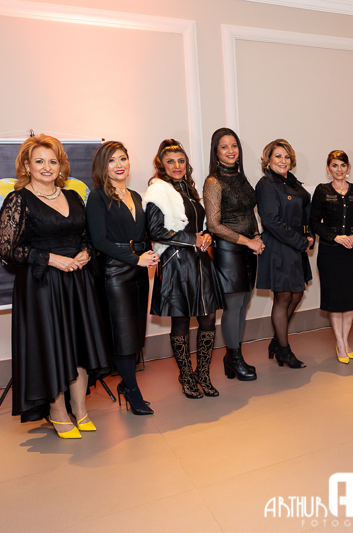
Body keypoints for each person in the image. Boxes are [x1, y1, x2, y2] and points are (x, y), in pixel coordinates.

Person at [0, 134, 111, 438]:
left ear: (61, 165)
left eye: (53, 161)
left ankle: (80, 410)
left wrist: (86, 253)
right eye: (39, 161)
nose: (47, 167)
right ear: (27, 166)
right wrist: (50, 259)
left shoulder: (73, 196)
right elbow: (7, 249)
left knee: (80, 345)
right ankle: (58, 413)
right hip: (42, 286)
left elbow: (86, 236)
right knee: (53, 348)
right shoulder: (18, 199)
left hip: (78, 283)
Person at [142, 139, 224, 398]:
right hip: (176, 263)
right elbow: (155, 231)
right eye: (170, 161)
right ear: (161, 165)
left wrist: (207, 235)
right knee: (181, 320)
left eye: (181, 161)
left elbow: (199, 225)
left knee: (208, 318)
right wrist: (193, 239)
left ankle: (203, 373)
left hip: (200, 261)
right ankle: (186, 375)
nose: (177, 165)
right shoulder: (158, 191)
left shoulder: (188, 189)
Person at [86, 141, 157, 415]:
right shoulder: (97, 197)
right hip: (114, 272)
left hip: (138, 270)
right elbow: (99, 241)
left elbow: (142, 235)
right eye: (112, 160)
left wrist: (149, 253)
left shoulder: (136, 196)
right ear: (102, 166)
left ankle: (126, 385)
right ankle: (133, 391)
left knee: (137, 330)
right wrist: (136, 258)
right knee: (123, 335)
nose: (119, 165)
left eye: (123, 158)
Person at [204, 128, 263, 381]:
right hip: (229, 250)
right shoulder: (213, 182)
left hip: (249, 248)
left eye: (234, 146)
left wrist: (257, 236)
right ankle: (235, 358)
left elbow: (250, 212)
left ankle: (232, 358)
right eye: (224, 146)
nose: (231, 151)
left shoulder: (240, 176)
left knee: (244, 303)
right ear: (216, 152)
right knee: (233, 305)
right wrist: (248, 241)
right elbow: (214, 225)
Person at [310, 150, 353, 363]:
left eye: (343, 165)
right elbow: (314, 222)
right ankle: (339, 343)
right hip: (330, 253)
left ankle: (345, 341)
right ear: (328, 168)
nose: (339, 169)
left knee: (349, 300)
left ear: (348, 168)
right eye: (335, 165)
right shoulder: (322, 190)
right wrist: (335, 237)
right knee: (335, 301)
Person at [256, 139, 313, 369]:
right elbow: (271, 221)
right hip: (279, 247)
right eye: (278, 156)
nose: (283, 160)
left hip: (296, 245)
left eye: (287, 156)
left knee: (297, 294)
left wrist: (310, 235)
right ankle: (285, 351)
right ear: (268, 160)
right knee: (283, 298)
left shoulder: (293, 183)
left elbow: (306, 212)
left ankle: (277, 343)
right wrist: (300, 241)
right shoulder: (266, 184)